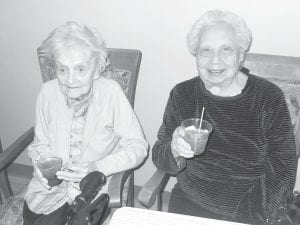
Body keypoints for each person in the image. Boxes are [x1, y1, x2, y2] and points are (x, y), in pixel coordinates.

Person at [152, 10, 297, 225]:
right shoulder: (182, 94)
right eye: (206, 51)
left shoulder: (268, 98)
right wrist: (173, 149)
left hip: (252, 207)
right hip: (190, 202)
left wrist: (251, 213)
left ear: (240, 55)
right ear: (196, 55)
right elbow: (159, 155)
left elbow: (283, 168)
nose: (215, 60)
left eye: (226, 50)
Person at [23, 21, 148, 225]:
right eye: (62, 69)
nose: (70, 79)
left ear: (97, 68)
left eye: (81, 69)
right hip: (49, 192)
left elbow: (138, 147)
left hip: (92, 192)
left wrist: (97, 166)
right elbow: (40, 144)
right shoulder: (47, 92)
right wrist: (41, 164)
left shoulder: (111, 93)